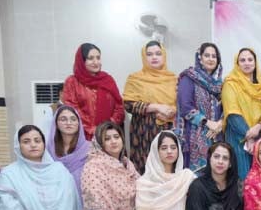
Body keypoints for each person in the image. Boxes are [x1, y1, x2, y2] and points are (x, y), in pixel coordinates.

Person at [123, 40, 178, 174]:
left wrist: (172, 112)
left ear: (164, 56)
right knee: (146, 172)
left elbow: (182, 104)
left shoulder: (174, 79)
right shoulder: (135, 79)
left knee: (169, 170)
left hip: (169, 130)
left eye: (158, 53)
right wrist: (156, 107)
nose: (154, 57)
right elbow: (128, 104)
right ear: (144, 57)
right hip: (143, 133)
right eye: (149, 54)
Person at [221, 48, 261, 180]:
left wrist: (259, 127)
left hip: (260, 137)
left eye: (250, 59)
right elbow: (232, 113)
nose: (246, 63)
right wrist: (249, 136)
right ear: (237, 63)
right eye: (242, 60)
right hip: (238, 138)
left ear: (255, 62)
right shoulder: (230, 83)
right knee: (244, 178)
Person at [61, 43, 124, 140]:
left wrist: (108, 126)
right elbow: (72, 110)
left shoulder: (107, 80)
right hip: (82, 136)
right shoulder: (72, 82)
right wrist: (91, 129)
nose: (96, 62)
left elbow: (119, 106)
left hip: (108, 135)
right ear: (82, 61)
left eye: (98, 58)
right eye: (90, 58)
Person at [177, 42, 224, 172]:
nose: (210, 59)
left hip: (217, 136)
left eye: (214, 56)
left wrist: (220, 124)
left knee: (217, 175)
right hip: (195, 135)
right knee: (196, 179)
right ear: (200, 58)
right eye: (207, 55)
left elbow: (227, 108)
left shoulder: (220, 84)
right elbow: (185, 106)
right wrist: (208, 123)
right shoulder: (189, 78)